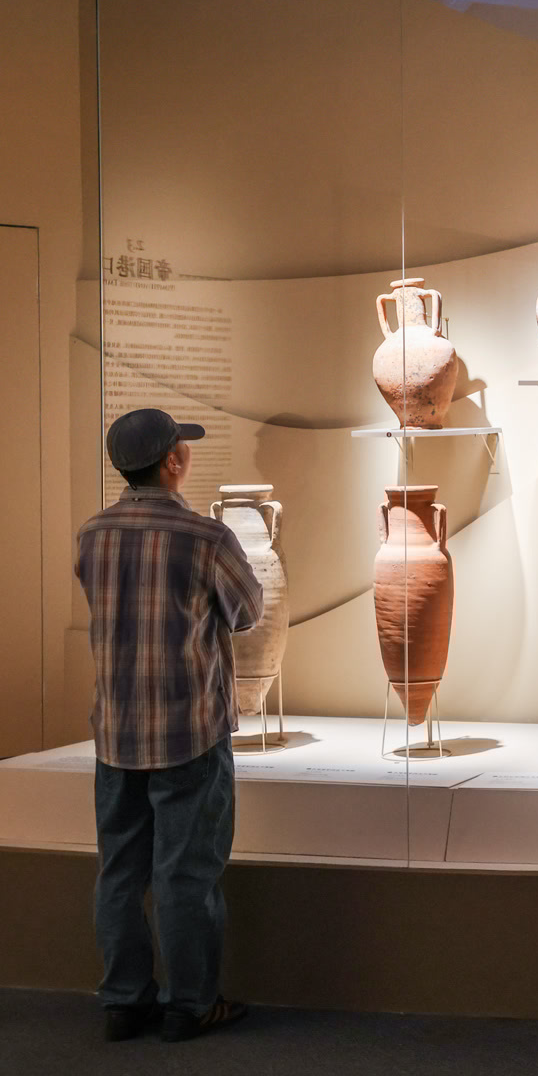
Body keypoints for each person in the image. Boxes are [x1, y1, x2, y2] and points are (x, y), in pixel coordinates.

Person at [74, 408, 263, 1043]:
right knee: (185, 874)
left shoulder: (93, 534)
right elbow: (247, 612)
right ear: (172, 462)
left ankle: (124, 1002)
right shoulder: (206, 537)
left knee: (119, 873)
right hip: (190, 731)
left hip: (117, 733)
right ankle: (190, 1005)